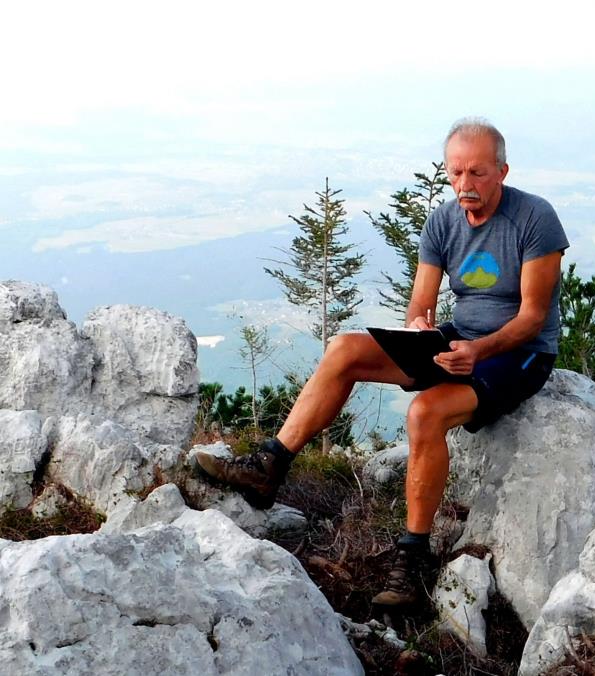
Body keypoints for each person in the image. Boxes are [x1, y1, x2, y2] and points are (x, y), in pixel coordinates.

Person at [194, 117, 569, 611]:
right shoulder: (443, 222)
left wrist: (478, 352)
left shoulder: (535, 219)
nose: (465, 184)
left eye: (477, 173)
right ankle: (269, 466)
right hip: (458, 340)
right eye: (456, 172)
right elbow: (421, 304)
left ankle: (411, 560)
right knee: (344, 350)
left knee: (424, 413)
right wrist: (418, 329)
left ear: (502, 171)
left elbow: (532, 317)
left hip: (520, 354)